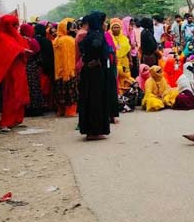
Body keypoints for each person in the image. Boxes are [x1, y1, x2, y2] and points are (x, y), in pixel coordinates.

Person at [0, 15, 30, 133]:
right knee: (11, 95)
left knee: (19, 95)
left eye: (16, 25)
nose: (15, 28)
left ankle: (16, 119)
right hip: (11, 71)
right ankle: (4, 122)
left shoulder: (15, 36)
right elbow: (9, 49)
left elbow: (21, 46)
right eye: (13, 25)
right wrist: (21, 50)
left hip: (19, 69)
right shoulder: (3, 36)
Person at [78, 11, 111, 140]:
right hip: (95, 71)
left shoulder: (89, 34)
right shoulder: (97, 35)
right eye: (104, 22)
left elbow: (83, 48)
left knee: (90, 99)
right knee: (95, 99)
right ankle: (94, 131)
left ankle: (91, 130)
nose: (105, 24)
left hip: (90, 71)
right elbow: (96, 47)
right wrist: (96, 58)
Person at [52, 18, 79, 117]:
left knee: (60, 92)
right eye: (70, 27)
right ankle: (70, 112)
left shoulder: (56, 40)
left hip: (58, 70)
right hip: (69, 70)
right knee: (70, 92)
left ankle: (61, 111)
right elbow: (70, 56)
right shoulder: (68, 40)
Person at [20, 23, 44, 116]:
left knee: (26, 88)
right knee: (34, 88)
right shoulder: (33, 41)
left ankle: (26, 109)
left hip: (23, 67)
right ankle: (36, 108)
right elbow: (38, 54)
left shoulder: (19, 40)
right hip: (33, 68)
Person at [110, 18, 134, 92]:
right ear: (111, 28)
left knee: (126, 76)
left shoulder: (124, 38)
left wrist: (130, 60)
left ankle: (126, 92)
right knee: (115, 77)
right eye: (114, 27)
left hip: (124, 61)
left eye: (117, 27)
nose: (116, 29)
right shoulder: (109, 38)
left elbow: (128, 50)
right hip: (115, 61)